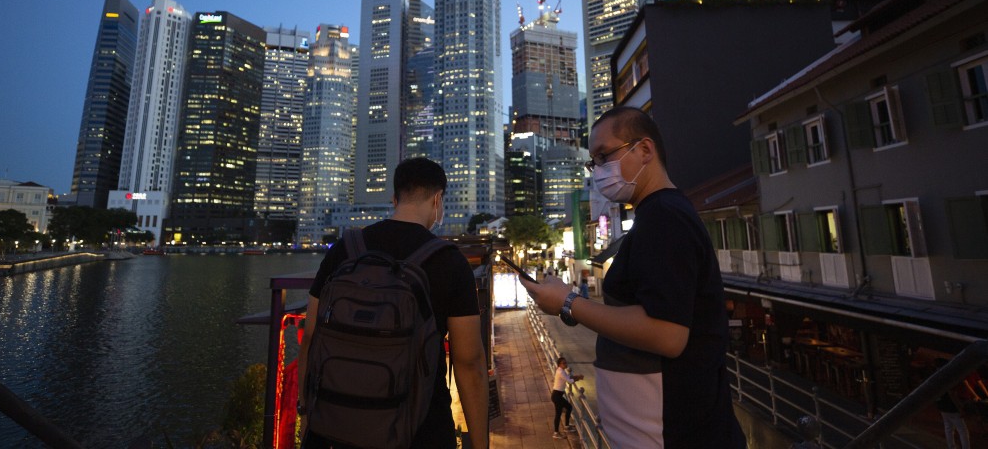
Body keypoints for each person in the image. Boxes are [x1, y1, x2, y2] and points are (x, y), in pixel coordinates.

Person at [520, 107, 746, 449]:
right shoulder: (656, 216)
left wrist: (568, 302)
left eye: (604, 155)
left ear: (645, 150)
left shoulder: (664, 217)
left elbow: (667, 333)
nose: (598, 169)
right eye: (593, 162)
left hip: (677, 434)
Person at [296, 158, 489, 449]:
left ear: (394, 198)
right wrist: (480, 443)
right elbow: (469, 362)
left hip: (335, 428)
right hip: (420, 432)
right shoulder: (449, 261)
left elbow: (311, 335)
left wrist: (305, 410)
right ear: (437, 200)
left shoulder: (344, 249)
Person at [934, 358, 971, 449]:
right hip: (951, 407)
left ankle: (951, 446)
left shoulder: (936, 377)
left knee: (948, 428)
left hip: (942, 405)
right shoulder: (948, 378)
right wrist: (960, 408)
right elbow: (952, 394)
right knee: (962, 430)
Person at [551, 356, 584, 439]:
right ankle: (556, 433)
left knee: (568, 408)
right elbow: (569, 381)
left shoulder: (561, 370)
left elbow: (568, 377)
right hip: (557, 396)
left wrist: (576, 376)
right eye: (564, 363)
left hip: (557, 395)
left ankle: (566, 426)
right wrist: (578, 378)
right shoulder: (560, 372)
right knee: (560, 412)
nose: (566, 364)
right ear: (559, 364)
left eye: (566, 362)